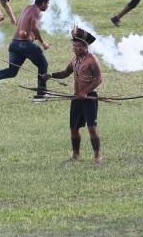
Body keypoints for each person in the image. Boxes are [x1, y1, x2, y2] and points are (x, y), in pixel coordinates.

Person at [44, 28, 103, 163]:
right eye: (74, 46)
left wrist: (85, 92)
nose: (75, 48)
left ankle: (97, 155)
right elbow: (65, 73)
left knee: (91, 128)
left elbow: (98, 79)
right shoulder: (75, 60)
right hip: (76, 98)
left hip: (89, 98)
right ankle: (76, 155)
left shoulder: (92, 60)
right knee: (74, 128)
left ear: (85, 46)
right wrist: (51, 75)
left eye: (78, 46)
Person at [0, 0, 51, 102]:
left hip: (15, 44)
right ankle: (41, 94)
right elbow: (34, 27)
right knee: (43, 64)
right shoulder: (37, 12)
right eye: (47, 4)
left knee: (12, 71)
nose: (48, 6)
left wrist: (29, 35)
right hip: (25, 45)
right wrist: (43, 42)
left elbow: (22, 24)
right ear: (43, 3)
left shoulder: (27, 8)